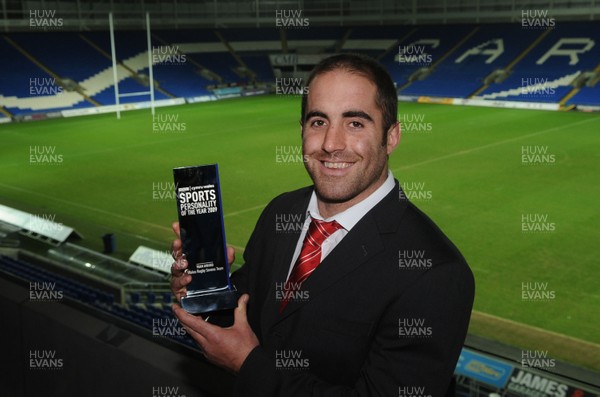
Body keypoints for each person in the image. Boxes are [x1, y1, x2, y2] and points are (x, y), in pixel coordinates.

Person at [170, 53, 475, 397]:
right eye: (318, 122)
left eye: (355, 123)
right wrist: (202, 289)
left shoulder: (436, 273)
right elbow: (243, 314)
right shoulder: (280, 211)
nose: (331, 144)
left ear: (391, 137)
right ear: (302, 130)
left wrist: (248, 365)